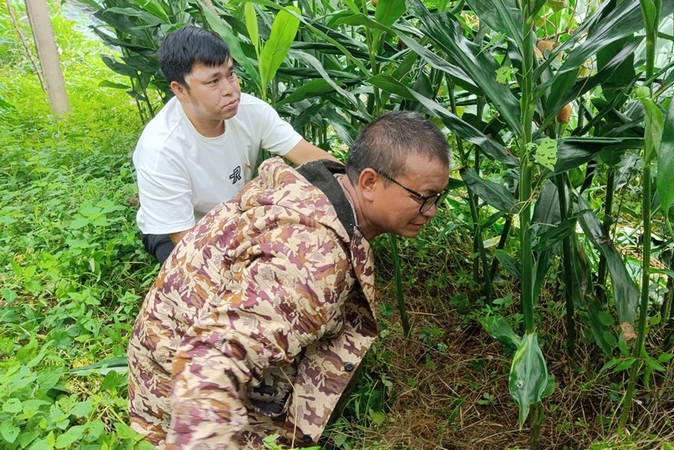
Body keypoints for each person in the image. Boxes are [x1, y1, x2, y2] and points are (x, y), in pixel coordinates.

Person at [127, 111, 452, 448]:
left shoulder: (319, 188)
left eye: (437, 197)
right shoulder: (313, 258)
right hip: (177, 402)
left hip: (171, 356)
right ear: (369, 182)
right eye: (423, 197)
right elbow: (210, 361)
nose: (431, 211)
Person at [133, 26, 336, 263]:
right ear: (180, 90)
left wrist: (359, 186)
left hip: (237, 213)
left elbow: (312, 157)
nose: (231, 90)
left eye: (230, 74)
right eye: (213, 82)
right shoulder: (161, 149)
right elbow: (184, 238)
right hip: (177, 230)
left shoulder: (252, 112)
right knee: (200, 279)